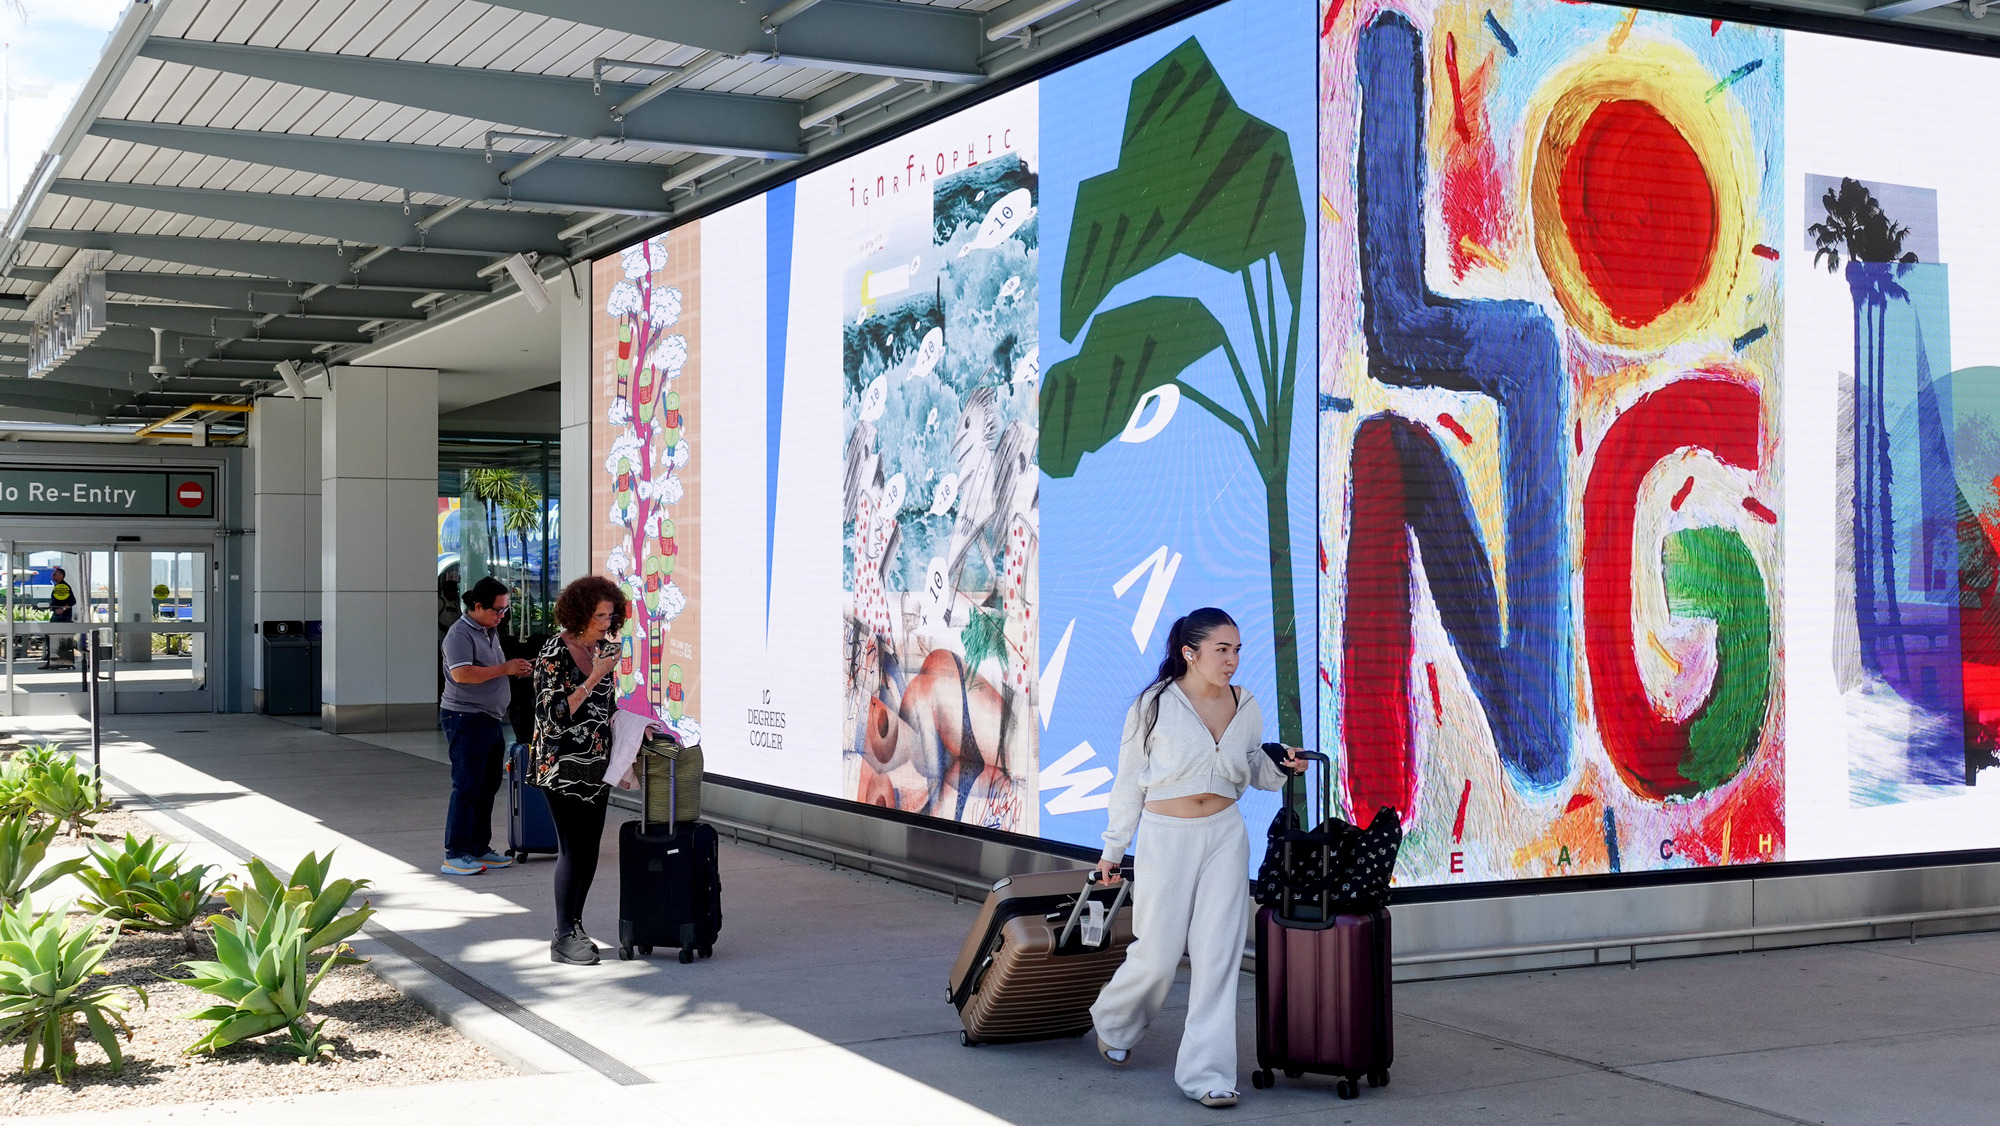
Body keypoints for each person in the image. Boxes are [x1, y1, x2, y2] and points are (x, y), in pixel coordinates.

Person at [1088, 607, 1303, 1109]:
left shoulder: (1244, 703)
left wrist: (1280, 766)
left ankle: (1207, 1074)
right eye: (1221, 650)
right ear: (1191, 652)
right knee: (1159, 952)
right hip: (1167, 835)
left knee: (1218, 956)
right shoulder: (1154, 705)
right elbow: (1128, 781)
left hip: (1225, 835)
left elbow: (1250, 769)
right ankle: (1114, 1022)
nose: (1231, 661)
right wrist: (1113, 849)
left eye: (1236, 651)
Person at [529, 574, 625, 965]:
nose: (606, 622)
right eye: (599, 615)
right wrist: (595, 676)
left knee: (589, 851)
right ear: (580, 613)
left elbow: (606, 707)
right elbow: (551, 718)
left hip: (596, 767)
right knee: (572, 849)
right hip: (561, 765)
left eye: (610, 615)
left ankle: (575, 926)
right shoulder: (555, 650)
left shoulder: (602, 649)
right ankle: (563, 934)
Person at [438, 576, 531, 877]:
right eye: (497, 610)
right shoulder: (459, 634)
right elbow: (463, 674)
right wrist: (505, 669)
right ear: (477, 606)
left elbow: (489, 672)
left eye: (505, 610)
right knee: (466, 785)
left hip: (489, 718)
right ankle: (455, 852)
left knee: (487, 785)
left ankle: (478, 847)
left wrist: (512, 670)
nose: (501, 616)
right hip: (465, 717)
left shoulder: (488, 631)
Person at [42, 566, 76, 668]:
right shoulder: (58, 587)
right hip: (57, 615)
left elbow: (72, 601)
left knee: (56, 637)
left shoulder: (64, 587)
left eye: (55, 574)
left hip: (62, 617)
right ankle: (52, 660)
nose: (52, 576)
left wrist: (63, 609)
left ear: (61, 576)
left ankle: (56, 660)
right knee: (52, 637)